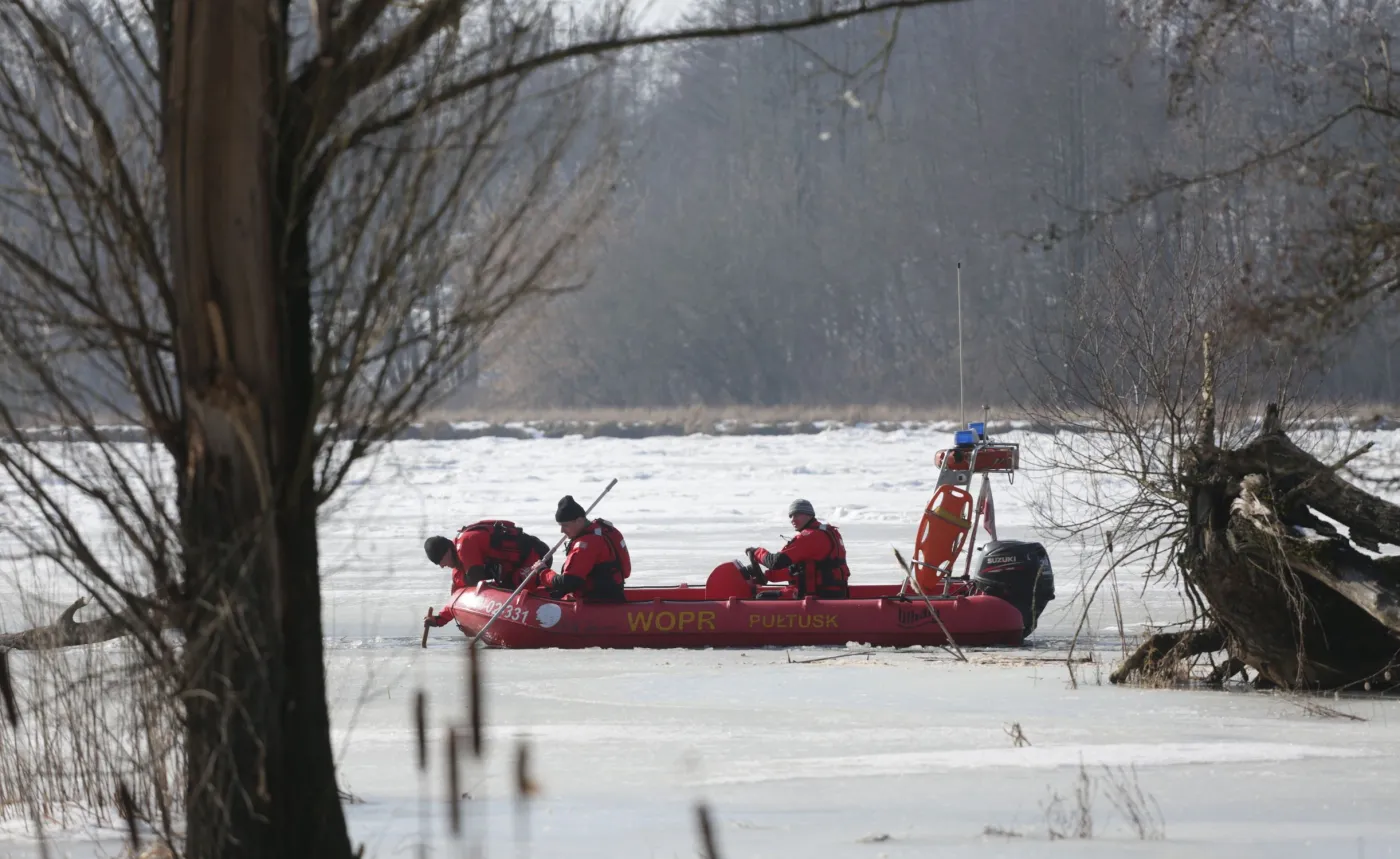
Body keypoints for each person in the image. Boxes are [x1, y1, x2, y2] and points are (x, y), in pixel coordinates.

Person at [423, 520, 553, 628]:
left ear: (447, 551)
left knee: (516, 590)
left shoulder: (466, 543)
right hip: (512, 567)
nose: (441, 566)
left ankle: (559, 598)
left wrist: (460, 580)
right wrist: (439, 619)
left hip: (534, 557)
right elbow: (457, 597)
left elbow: (475, 578)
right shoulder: (459, 565)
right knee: (507, 586)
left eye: (440, 561)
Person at [744, 499, 851, 599]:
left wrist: (756, 553)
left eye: (797, 515)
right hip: (831, 593)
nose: (793, 520)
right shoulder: (825, 532)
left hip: (816, 597)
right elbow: (800, 568)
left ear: (809, 515)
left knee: (762, 598)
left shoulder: (811, 536)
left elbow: (777, 561)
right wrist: (767, 576)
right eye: (791, 516)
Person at [539, 495, 631, 602]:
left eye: (565, 525)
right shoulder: (605, 531)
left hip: (595, 602)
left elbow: (568, 582)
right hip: (614, 595)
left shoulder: (587, 543)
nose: (562, 531)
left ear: (579, 521)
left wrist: (543, 571)